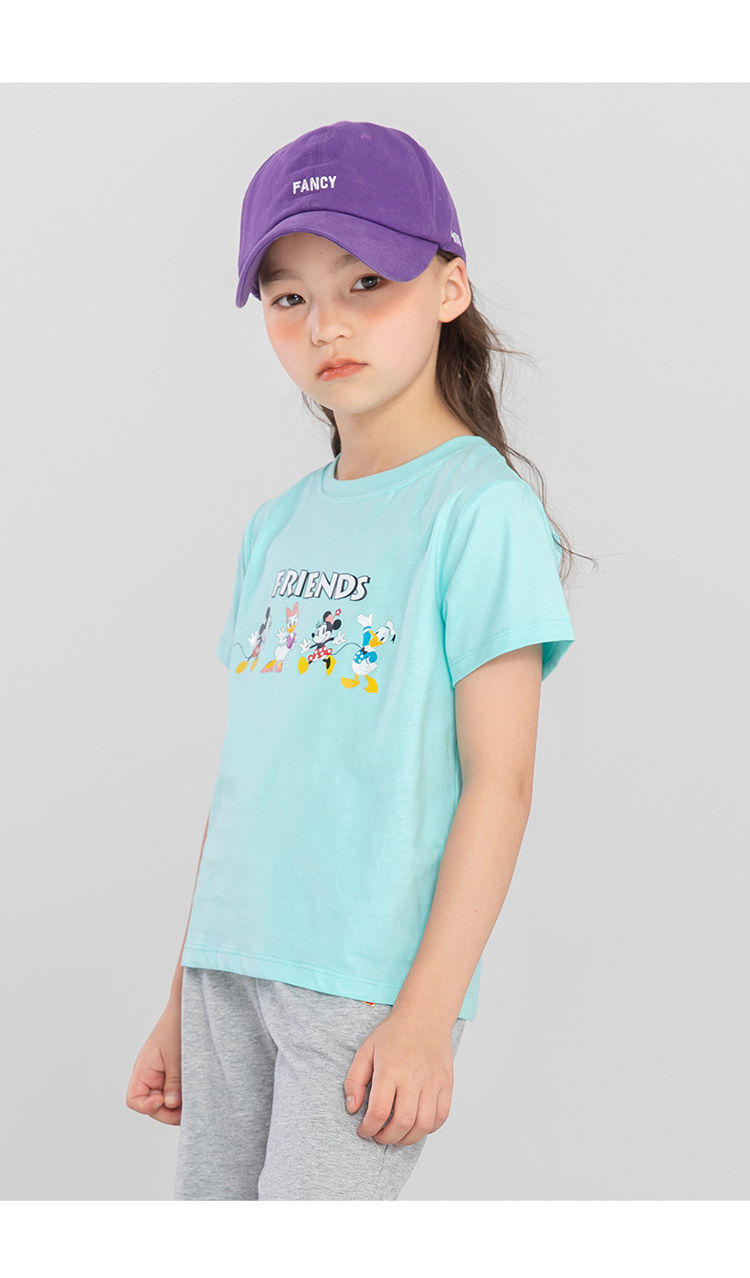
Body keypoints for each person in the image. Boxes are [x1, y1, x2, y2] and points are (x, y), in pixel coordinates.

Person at [125, 119, 579, 1200]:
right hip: (228, 970)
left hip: (360, 984)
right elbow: (250, 780)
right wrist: (182, 993)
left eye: (365, 281)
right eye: (288, 297)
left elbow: (501, 784)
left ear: (450, 285)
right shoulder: (277, 525)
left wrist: (428, 1012)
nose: (324, 323)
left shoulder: (478, 512)